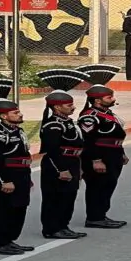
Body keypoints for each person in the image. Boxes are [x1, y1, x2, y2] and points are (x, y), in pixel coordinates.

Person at [0, 100, 33, 255]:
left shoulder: (18, 131)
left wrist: (26, 178)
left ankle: (8, 240)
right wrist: (5, 180)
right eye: (15, 113)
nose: (20, 114)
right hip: (5, 177)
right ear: (3, 115)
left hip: (21, 175)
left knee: (18, 209)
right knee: (4, 211)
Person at [78, 85, 128, 229]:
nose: (113, 99)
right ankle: (94, 218)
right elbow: (88, 140)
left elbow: (115, 136)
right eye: (109, 97)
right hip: (100, 155)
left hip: (113, 154)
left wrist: (122, 153)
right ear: (98, 100)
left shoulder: (108, 113)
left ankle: (101, 215)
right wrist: (96, 160)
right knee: (97, 186)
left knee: (108, 185)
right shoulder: (90, 116)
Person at [39, 91, 87, 239]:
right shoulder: (52, 125)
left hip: (72, 162)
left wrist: (79, 168)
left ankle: (63, 225)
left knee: (68, 197)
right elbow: (52, 150)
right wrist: (62, 169)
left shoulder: (67, 122)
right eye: (69, 105)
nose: (73, 108)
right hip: (58, 164)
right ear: (57, 107)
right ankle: (51, 228)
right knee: (55, 197)